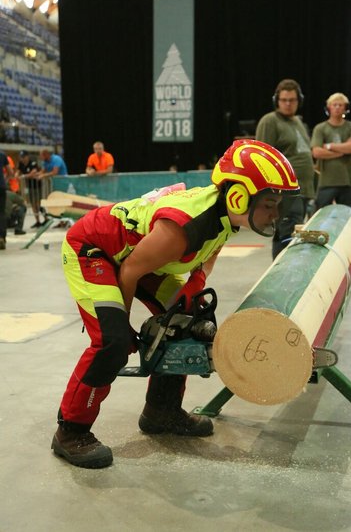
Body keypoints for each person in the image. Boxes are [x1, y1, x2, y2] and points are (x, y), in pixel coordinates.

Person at [51, 139, 300, 469]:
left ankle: (161, 411)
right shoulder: (184, 227)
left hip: (137, 258)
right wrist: (122, 327)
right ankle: (71, 431)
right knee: (110, 344)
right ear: (239, 195)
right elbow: (130, 270)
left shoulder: (224, 216)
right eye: (269, 204)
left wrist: (187, 312)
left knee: (186, 325)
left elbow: (201, 267)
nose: (275, 214)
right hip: (95, 251)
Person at [255, 78, 315, 258]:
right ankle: (281, 280)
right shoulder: (270, 121)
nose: (288, 104)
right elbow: (261, 158)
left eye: (292, 100)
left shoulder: (297, 122)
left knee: (293, 235)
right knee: (286, 236)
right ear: (277, 101)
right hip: (286, 192)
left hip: (303, 190)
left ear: (299, 101)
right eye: (284, 100)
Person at [311, 93, 351, 209]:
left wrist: (329, 146)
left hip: (347, 180)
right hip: (326, 181)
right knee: (321, 213)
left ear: (345, 108)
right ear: (329, 107)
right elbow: (317, 152)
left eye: (340, 105)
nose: (337, 107)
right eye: (334, 105)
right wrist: (343, 150)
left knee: (346, 216)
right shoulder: (320, 128)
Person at [17, 150, 44, 228]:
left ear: (27, 156)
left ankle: (46, 218)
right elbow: (17, 172)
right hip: (29, 186)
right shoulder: (21, 164)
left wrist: (24, 176)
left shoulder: (33, 163)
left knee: (38, 203)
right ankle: (37, 221)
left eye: (24, 157)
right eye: (21, 157)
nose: (23, 159)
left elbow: (34, 173)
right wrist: (17, 176)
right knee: (32, 204)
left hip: (37, 186)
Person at [0, 151, 13, 250]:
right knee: (1, 213)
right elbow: (11, 172)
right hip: (1, 187)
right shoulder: (2, 154)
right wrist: (5, 180)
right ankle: (2, 238)